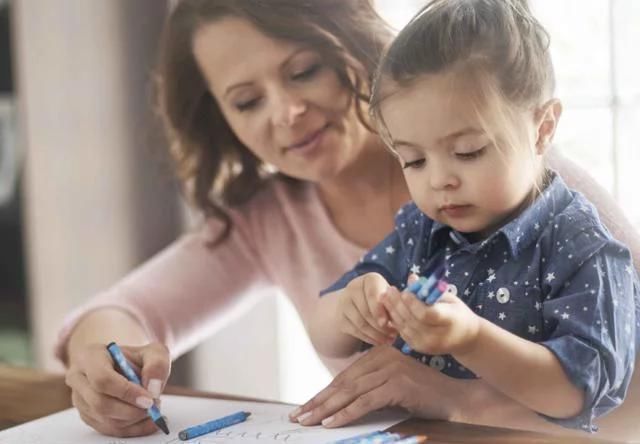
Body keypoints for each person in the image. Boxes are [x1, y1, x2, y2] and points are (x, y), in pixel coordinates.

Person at [55, 0, 640, 439]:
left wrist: (454, 397)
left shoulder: (535, 195)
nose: (287, 113)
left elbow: (623, 397)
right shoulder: (306, 219)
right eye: (247, 101)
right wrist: (104, 360)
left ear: (352, 43)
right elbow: (127, 311)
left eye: (304, 69)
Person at [296, 0, 638, 433]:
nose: (440, 180)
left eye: (467, 152)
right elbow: (324, 331)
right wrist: (350, 307)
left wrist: (472, 340)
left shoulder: (583, 247)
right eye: (414, 161)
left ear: (543, 127)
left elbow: (579, 391)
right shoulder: (423, 231)